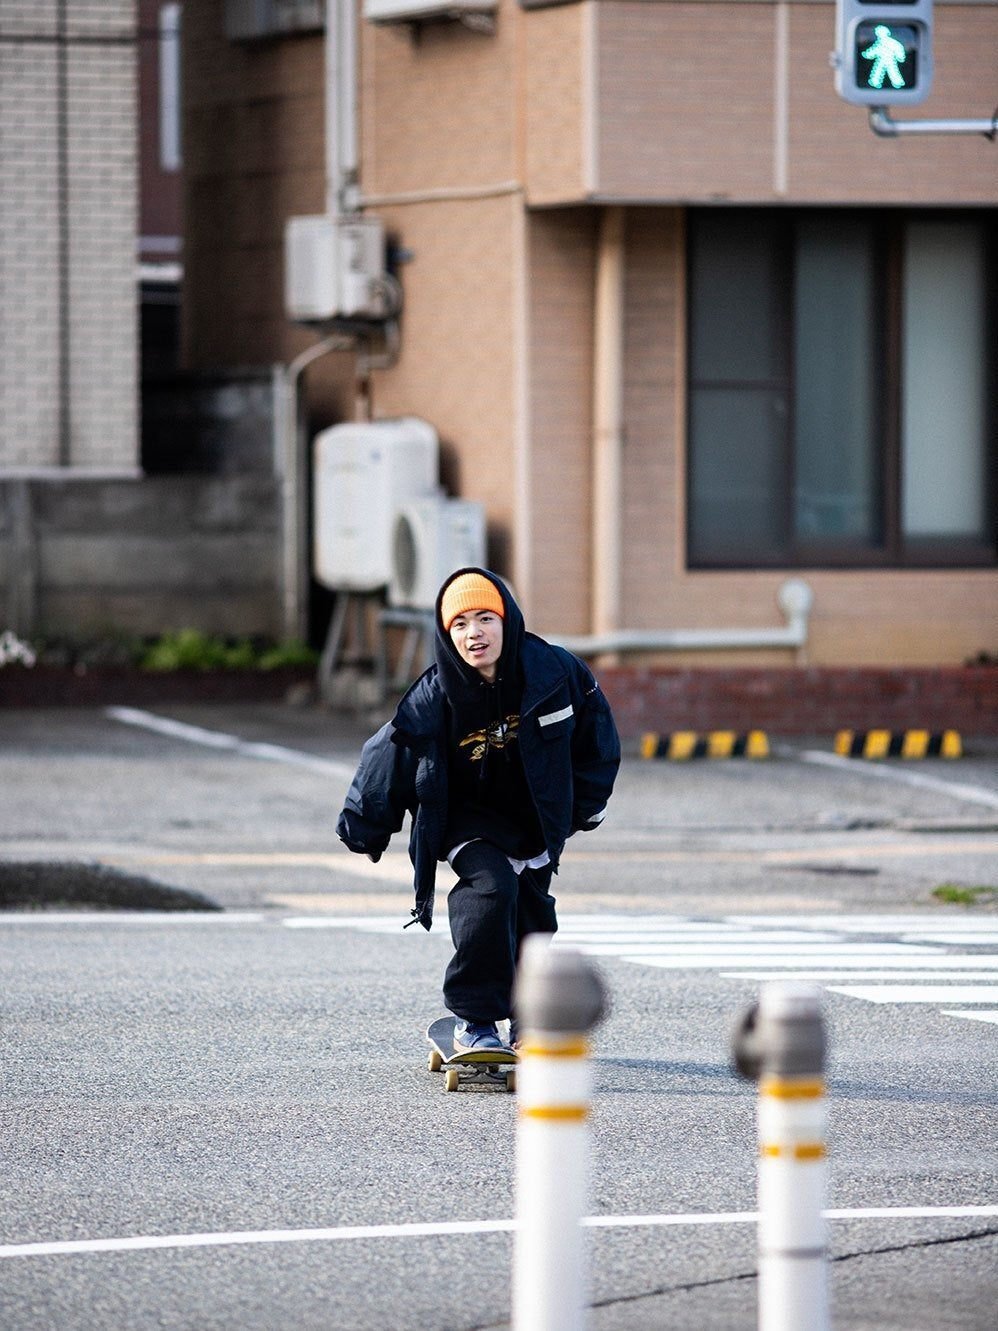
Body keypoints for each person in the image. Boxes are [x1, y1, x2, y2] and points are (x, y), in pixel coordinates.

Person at [336, 567, 620, 1053]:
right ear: (448, 635)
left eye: (485, 618)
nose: (474, 633)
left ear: (507, 620)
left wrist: (587, 807)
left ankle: (531, 1017)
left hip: (534, 817)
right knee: (491, 890)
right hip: (466, 819)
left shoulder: (555, 673)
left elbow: (597, 740)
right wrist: (365, 826)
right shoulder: (434, 693)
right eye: (460, 623)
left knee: (532, 917)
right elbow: (390, 753)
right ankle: (477, 1021)